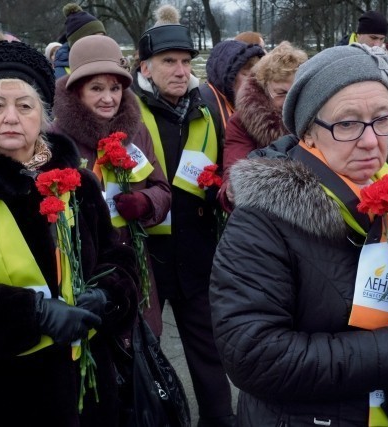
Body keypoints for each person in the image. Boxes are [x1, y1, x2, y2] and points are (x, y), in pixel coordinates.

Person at [210, 43, 388, 426]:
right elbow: (251, 353)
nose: (370, 140)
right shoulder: (261, 219)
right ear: (308, 132)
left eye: (382, 119)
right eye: (346, 123)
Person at [0, 41, 139, 426]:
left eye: (25, 106)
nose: (11, 118)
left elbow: (119, 259)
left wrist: (107, 295)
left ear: (44, 116)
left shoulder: (77, 182)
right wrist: (32, 314)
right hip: (1, 396)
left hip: (87, 389)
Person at [132, 19, 235, 427]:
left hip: (196, 249)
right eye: (168, 61)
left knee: (207, 347)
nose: (180, 70)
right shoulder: (126, 110)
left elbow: (223, 162)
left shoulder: (205, 109)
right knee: (144, 346)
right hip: (145, 254)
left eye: (186, 61)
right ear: (144, 68)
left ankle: (220, 418)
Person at [52, 34, 170, 336]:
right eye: (97, 88)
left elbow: (161, 189)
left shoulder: (136, 132)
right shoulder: (56, 140)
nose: (109, 98)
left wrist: (145, 203)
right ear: (77, 91)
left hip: (134, 264)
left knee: (141, 353)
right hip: (83, 270)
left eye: (115, 88)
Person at [219, 41, 307, 212]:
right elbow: (234, 163)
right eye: (281, 93)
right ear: (265, 89)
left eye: (296, 92)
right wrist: (231, 187)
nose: (290, 102)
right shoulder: (243, 121)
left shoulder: (317, 116)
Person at [199, 39, 264, 135]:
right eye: (246, 74)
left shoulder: (251, 103)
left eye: (256, 75)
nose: (254, 81)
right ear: (229, 75)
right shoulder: (204, 104)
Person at [53, 3, 106, 79]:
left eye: (103, 37)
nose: (101, 43)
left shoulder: (111, 64)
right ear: (76, 43)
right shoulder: (57, 77)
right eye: (93, 38)